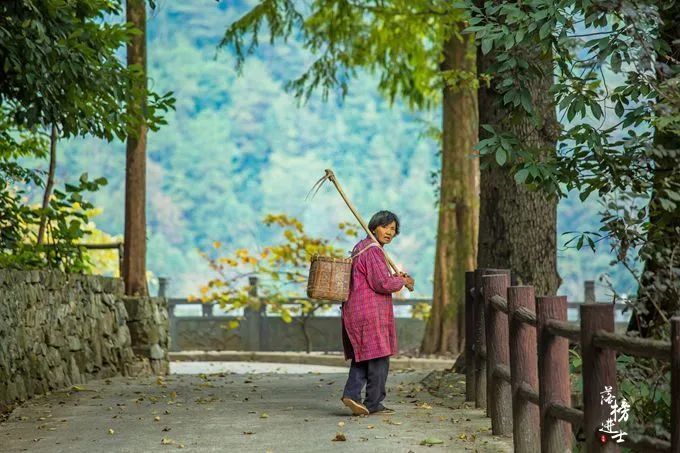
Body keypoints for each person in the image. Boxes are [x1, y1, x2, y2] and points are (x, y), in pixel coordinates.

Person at [340, 210, 415, 416]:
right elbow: (381, 283)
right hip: (369, 313)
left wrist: (394, 277)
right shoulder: (373, 251)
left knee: (364, 356)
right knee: (379, 358)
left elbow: (375, 277)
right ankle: (373, 403)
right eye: (385, 227)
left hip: (355, 310)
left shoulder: (360, 248)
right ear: (374, 227)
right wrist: (403, 281)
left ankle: (352, 395)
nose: (389, 232)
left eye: (393, 229)